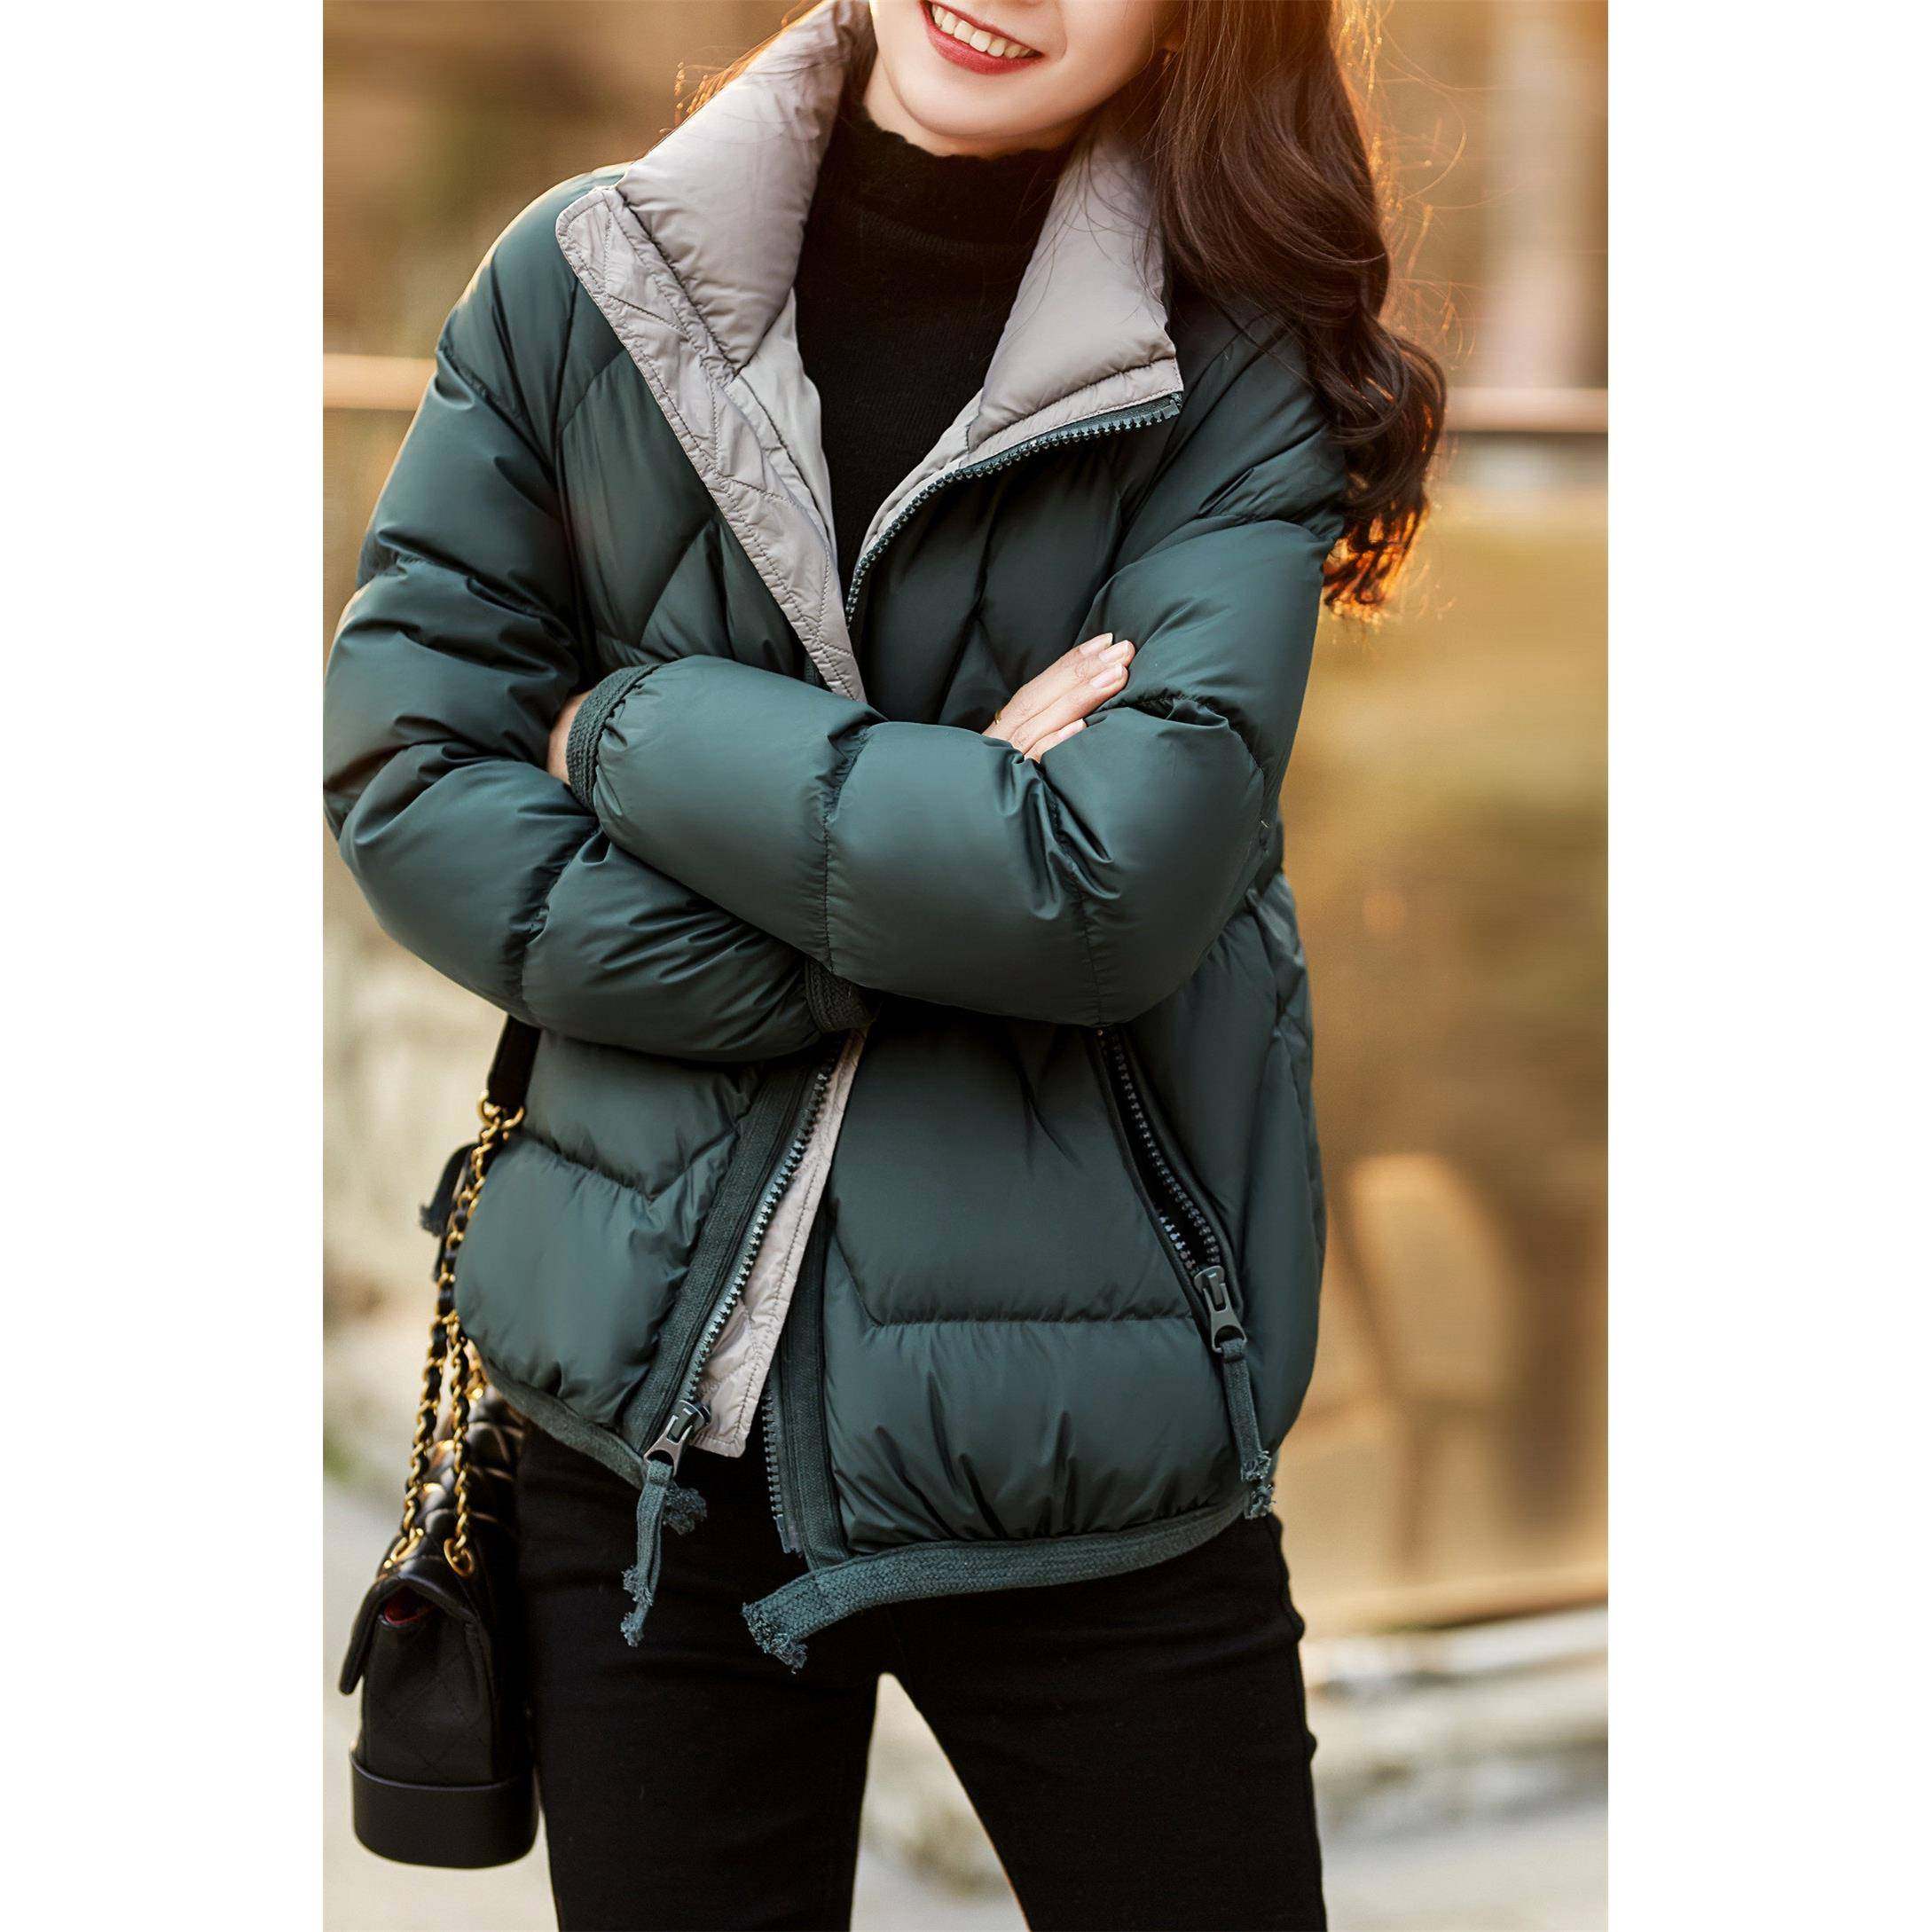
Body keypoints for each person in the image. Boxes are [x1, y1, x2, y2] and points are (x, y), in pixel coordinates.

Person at [324, 2, 1441, 1925]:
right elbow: (411, 779)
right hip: (641, 1436)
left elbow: (1101, 889)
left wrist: (628, 727)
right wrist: (912, 890)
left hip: (1095, 1440)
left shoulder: (1228, 356)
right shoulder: (583, 279)